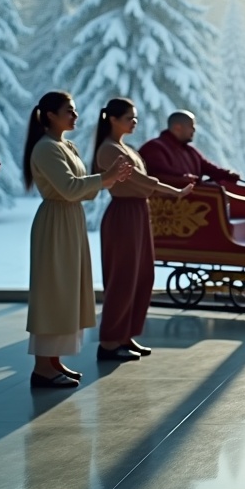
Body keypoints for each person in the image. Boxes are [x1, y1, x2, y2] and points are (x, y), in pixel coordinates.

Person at [25, 92, 131, 389]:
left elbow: (82, 190)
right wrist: (105, 177)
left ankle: (54, 360)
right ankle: (42, 366)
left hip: (70, 220)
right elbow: (71, 188)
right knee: (54, 292)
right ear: (49, 115)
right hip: (57, 222)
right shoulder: (46, 148)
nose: (75, 116)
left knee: (68, 290)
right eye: (69, 111)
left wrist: (105, 179)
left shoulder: (65, 146)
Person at [93, 98, 192, 361]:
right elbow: (139, 180)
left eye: (135, 117)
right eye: (129, 118)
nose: (134, 122)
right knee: (123, 278)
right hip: (124, 214)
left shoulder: (125, 148)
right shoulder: (109, 150)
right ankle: (109, 341)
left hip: (138, 212)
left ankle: (126, 335)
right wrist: (175, 191)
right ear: (113, 120)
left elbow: (141, 181)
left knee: (142, 275)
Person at [138, 110, 240, 187]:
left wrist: (228, 175)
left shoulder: (191, 151)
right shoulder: (154, 148)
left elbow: (209, 168)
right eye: (191, 126)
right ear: (178, 127)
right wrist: (187, 179)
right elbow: (160, 175)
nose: (194, 129)